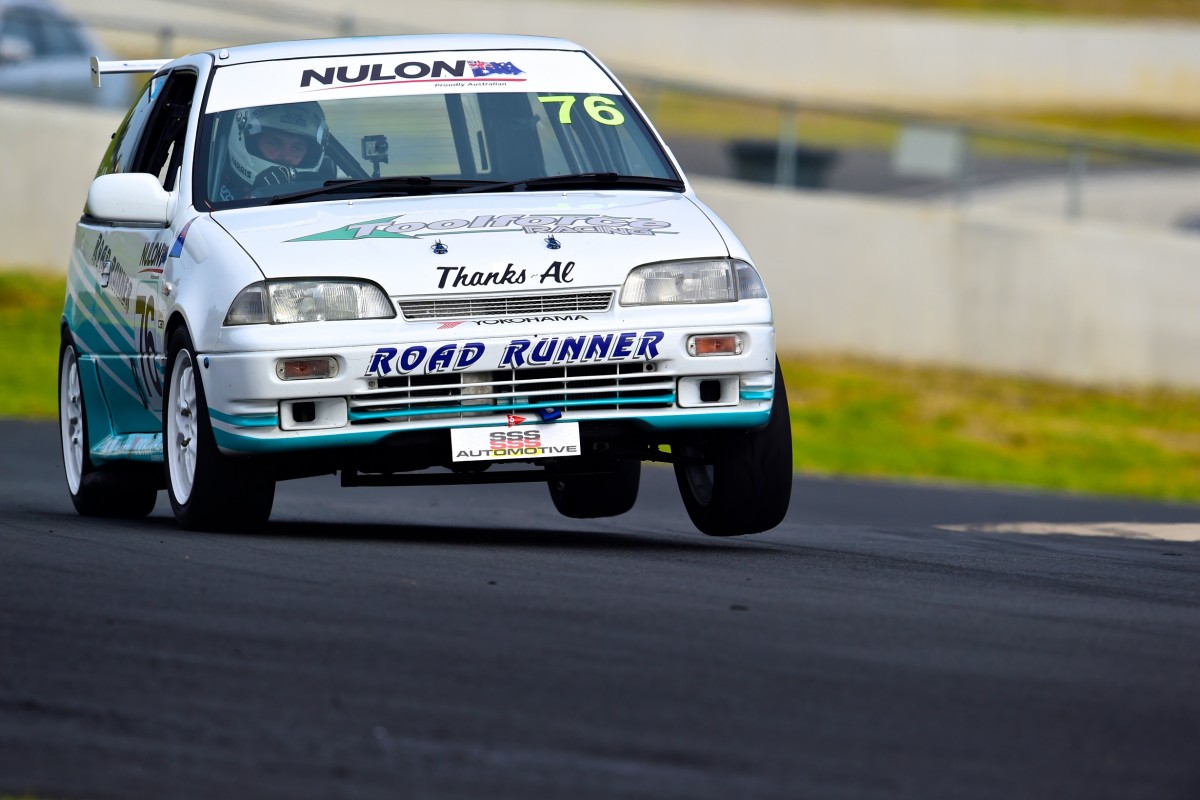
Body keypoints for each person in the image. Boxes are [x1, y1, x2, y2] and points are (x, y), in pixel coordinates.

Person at [219, 102, 328, 201]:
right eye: (274, 144)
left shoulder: (319, 197)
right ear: (249, 142)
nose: (286, 156)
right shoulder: (209, 190)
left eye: (297, 148)